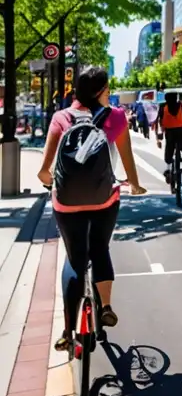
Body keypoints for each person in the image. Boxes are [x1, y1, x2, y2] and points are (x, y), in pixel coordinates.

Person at [36, 67, 146, 353]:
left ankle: (67, 330)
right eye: (107, 90)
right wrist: (134, 184)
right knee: (100, 249)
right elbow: (127, 159)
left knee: (74, 260)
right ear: (101, 92)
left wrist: (54, 186)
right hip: (104, 201)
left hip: (66, 204)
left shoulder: (61, 118)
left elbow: (44, 172)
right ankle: (106, 306)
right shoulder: (116, 117)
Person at [155, 91, 182, 183]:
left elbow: (159, 122)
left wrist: (158, 138)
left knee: (169, 152)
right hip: (180, 132)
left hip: (169, 133)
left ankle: (168, 169)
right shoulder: (181, 106)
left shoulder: (163, 107)